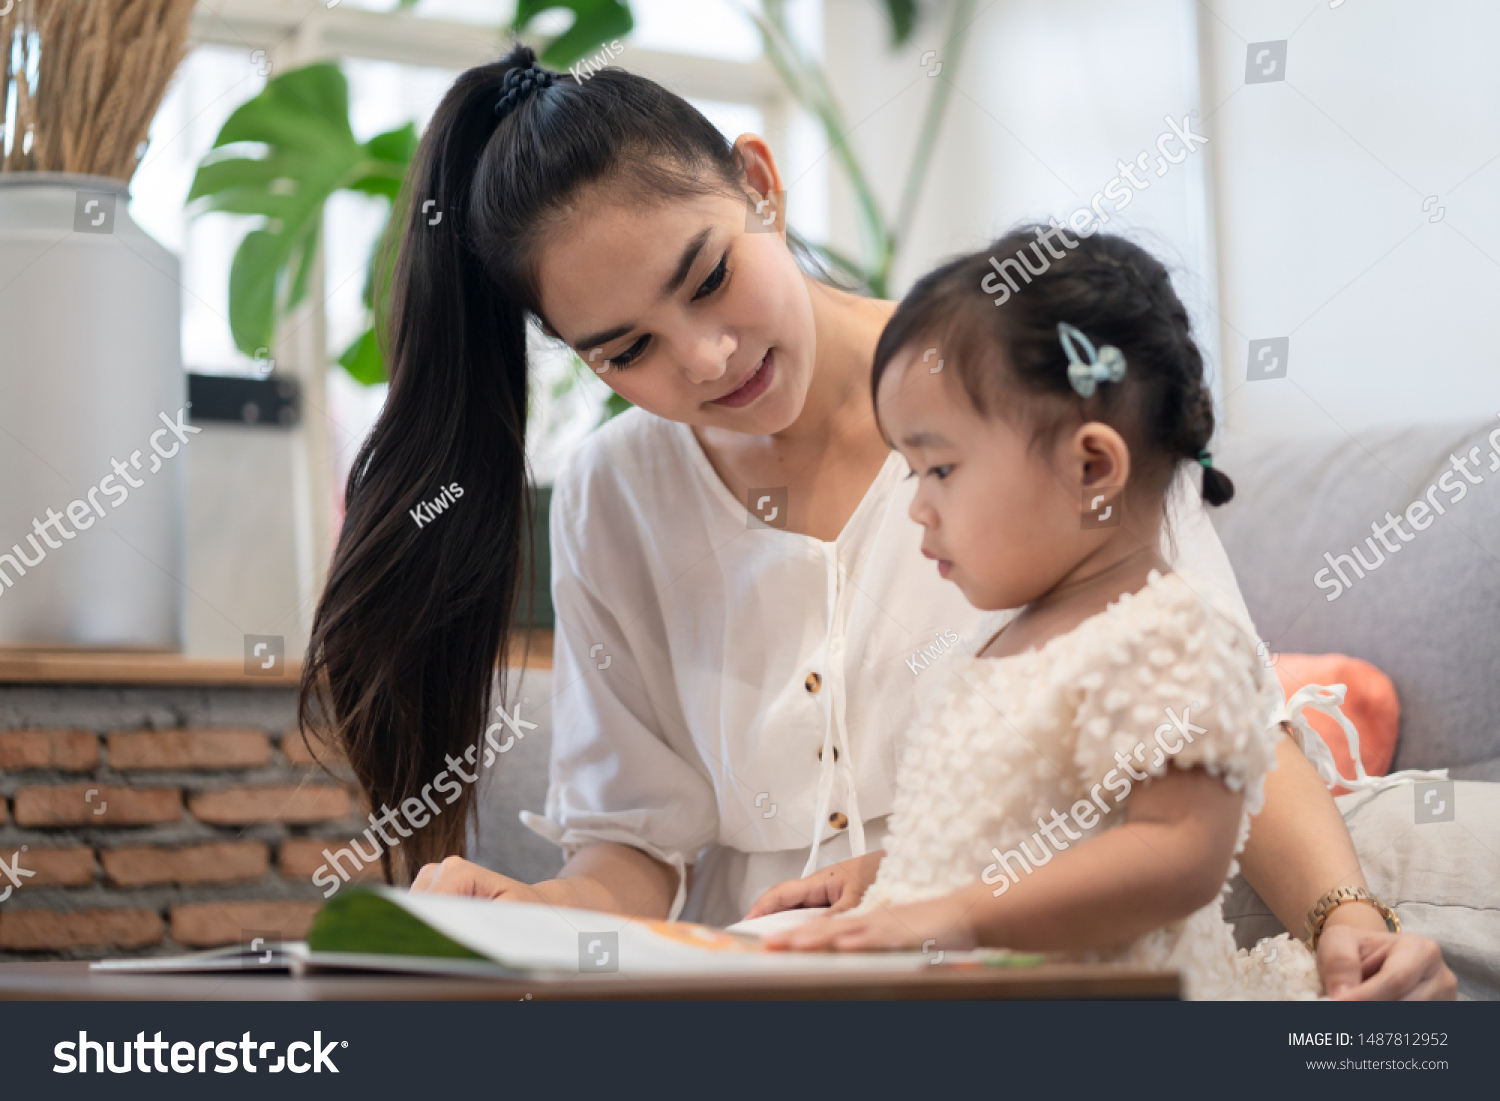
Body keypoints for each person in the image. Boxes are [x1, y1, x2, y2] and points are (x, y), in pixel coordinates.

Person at [301, 45, 1455, 1000]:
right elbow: (634, 852)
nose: (706, 359)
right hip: (751, 975)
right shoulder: (614, 494)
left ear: (760, 182)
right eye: (628, 350)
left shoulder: (1016, 383)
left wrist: (1345, 913)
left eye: (707, 278)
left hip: (1012, 966)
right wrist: (543, 916)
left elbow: (1227, 715)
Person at [757, 230, 1327, 998]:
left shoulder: (1168, 632)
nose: (916, 507)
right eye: (910, 472)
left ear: (1091, 467)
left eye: (941, 468)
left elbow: (1177, 850)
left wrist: (953, 913)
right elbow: (1022, 833)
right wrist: (891, 876)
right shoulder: (1001, 641)